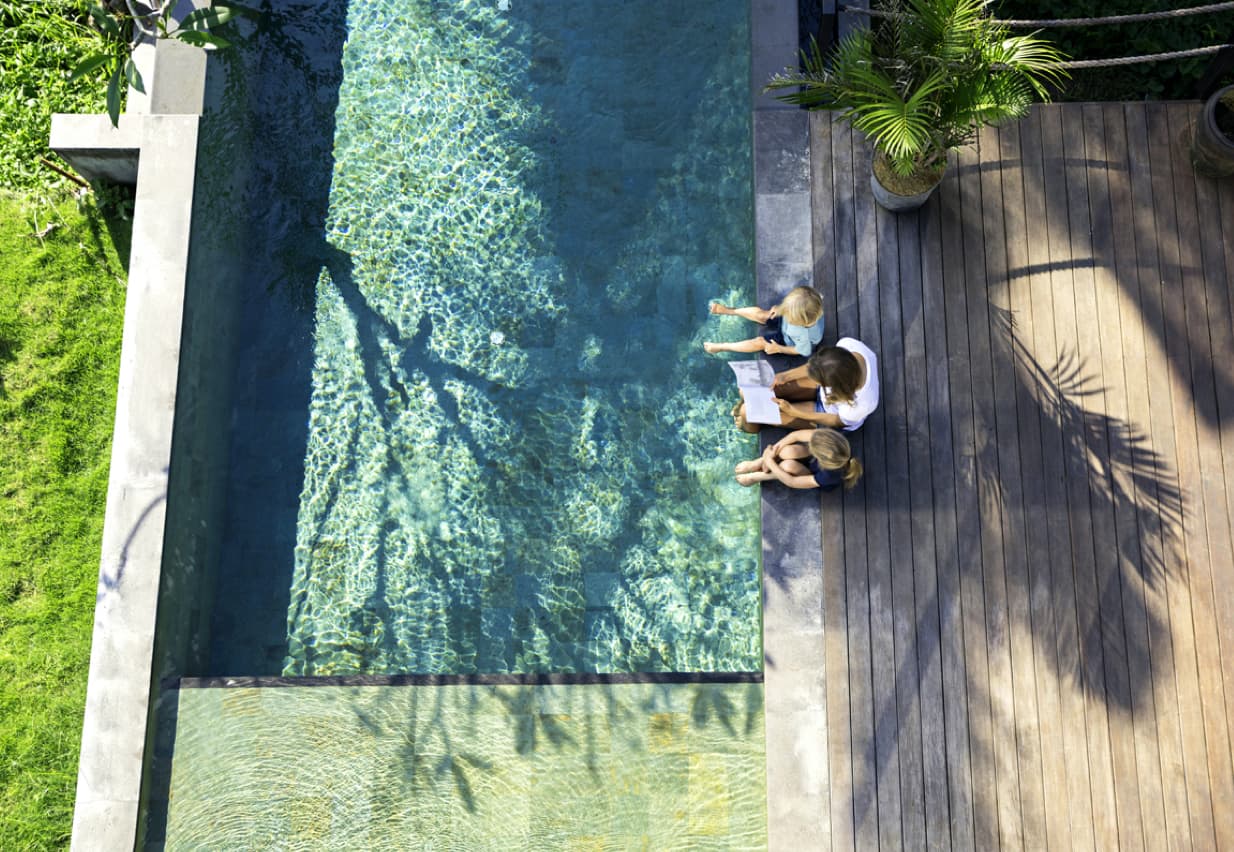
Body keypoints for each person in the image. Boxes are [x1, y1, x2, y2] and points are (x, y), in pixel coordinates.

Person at [733, 337, 879, 433]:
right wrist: (784, 376)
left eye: (821, 382)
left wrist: (795, 413)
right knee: (745, 390)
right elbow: (815, 366)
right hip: (829, 386)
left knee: (747, 412)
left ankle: (756, 425)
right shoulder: (848, 346)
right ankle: (757, 415)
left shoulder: (863, 403)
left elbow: (837, 421)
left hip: (829, 413)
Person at [703, 286, 824, 357]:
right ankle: (731, 311)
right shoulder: (809, 303)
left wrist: (779, 349)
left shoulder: (804, 335)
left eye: (789, 313)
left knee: (760, 342)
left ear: (801, 322)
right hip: (788, 325)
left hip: (788, 339)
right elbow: (796, 304)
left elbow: (803, 351)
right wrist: (781, 309)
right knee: (763, 315)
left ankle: (723, 347)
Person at [734, 428, 863, 490]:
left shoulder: (829, 475)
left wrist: (770, 463)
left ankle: (759, 476)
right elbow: (795, 436)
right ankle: (756, 463)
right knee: (788, 451)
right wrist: (766, 457)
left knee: (788, 466)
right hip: (818, 459)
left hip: (812, 475)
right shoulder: (831, 438)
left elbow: (792, 482)